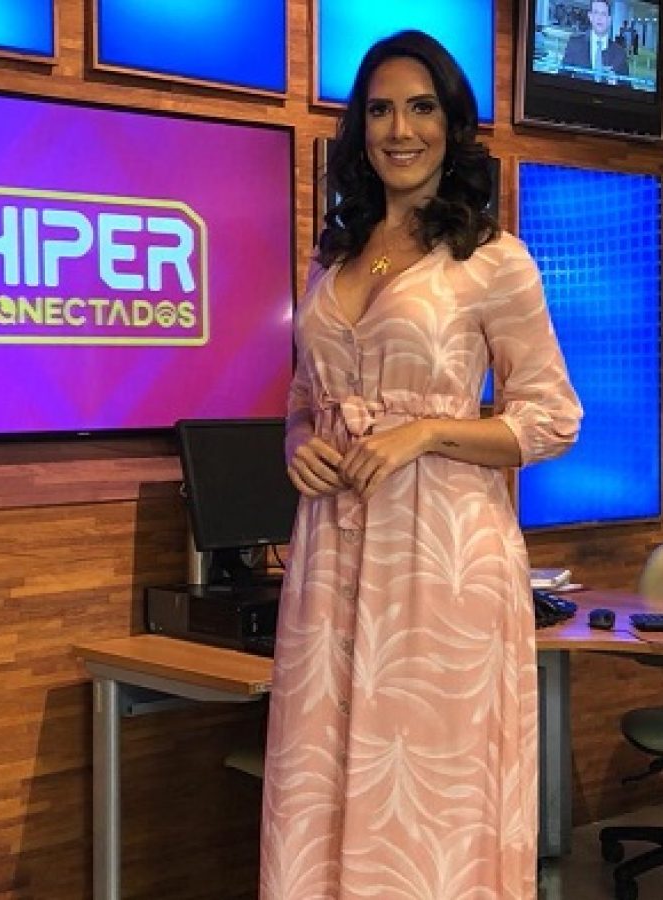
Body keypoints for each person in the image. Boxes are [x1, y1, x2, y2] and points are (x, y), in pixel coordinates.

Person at [259, 29, 582, 900]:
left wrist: (429, 432)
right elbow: (302, 400)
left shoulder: (494, 260)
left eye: (421, 107)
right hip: (330, 559)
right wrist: (299, 445)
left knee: (426, 799)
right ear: (359, 127)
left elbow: (553, 419)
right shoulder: (333, 256)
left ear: (452, 124)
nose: (399, 129)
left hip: (441, 564)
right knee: (319, 779)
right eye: (380, 110)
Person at [561, 0, 630, 78]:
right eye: (596, 13)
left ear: (609, 19)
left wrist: (614, 82)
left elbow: (626, 84)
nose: (599, 18)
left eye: (603, 14)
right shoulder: (574, 44)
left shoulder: (620, 53)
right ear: (590, 16)